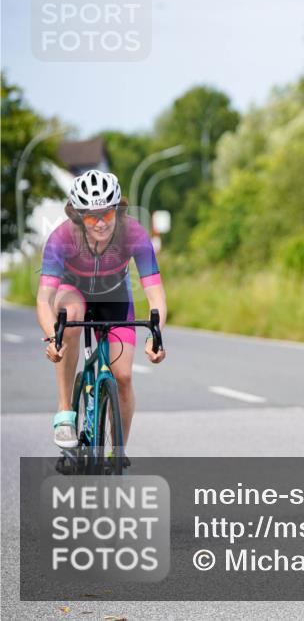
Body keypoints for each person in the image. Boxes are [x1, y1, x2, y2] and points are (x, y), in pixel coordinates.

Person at [35, 169, 167, 449]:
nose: (100, 223)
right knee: (71, 314)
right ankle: (64, 413)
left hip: (115, 297)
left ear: (117, 211)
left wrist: (155, 337)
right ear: (77, 215)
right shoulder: (61, 238)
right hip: (72, 292)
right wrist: (52, 338)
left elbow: (155, 294)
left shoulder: (133, 233)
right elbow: (44, 299)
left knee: (123, 376)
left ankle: (117, 452)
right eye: (91, 216)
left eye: (106, 215)